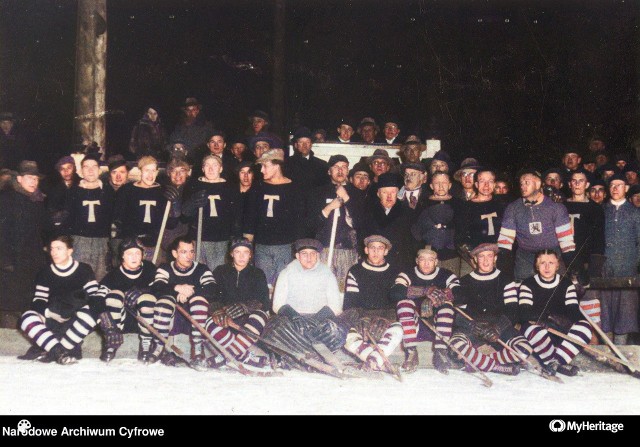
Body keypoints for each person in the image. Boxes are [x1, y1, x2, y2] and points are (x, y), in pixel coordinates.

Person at [54, 238, 158, 362]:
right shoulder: (113, 276)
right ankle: (107, 345)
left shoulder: (150, 269)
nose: (134, 257)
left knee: (148, 298)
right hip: (119, 323)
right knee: (113, 296)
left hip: (145, 322)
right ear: (122, 256)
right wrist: (108, 325)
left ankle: (146, 345)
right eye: (129, 253)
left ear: (143, 255)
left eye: (137, 253)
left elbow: (162, 288)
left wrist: (144, 290)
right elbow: (96, 299)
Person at [448, 243, 529, 375]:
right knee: (455, 345)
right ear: (475, 259)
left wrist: (498, 328)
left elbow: (513, 310)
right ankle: (495, 366)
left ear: (495, 258)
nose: (486, 261)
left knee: (523, 348)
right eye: (481, 257)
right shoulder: (464, 281)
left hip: (497, 328)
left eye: (489, 256)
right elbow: (458, 312)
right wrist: (471, 325)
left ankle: (479, 362)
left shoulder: (506, 280)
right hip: (474, 327)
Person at [18, 236, 100, 364]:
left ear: (70, 251)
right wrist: (50, 314)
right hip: (53, 317)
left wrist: (76, 312)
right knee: (27, 317)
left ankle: (53, 348)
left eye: (59, 248)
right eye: (52, 249)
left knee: (93, 312)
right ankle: (58, 351)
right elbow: (39, 300)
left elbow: (95, 297)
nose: (54, 252)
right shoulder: (45, 272)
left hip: (75, 320)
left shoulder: (84, 269)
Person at [264, 239, 346, 358]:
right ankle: (301, 354)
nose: (309, 257)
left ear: (317, 255)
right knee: (273, 329)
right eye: (304, 254)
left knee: (335, 332)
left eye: (313, 254)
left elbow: (336, 307)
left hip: (320, 321)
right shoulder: (286, 273)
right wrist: (295, 317)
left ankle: (300, 353)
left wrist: (314, 321)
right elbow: (277, 305)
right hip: (293, 321)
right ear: (297, 256)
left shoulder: (327, 274)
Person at [517, 250, 593, 376]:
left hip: (560, 334)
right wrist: (546, 318)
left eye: (551, 263)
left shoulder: (566, 284)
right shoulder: (528, 284)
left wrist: (559, 320)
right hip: (540, 333)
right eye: (543, 263)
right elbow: (524, 313)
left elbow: (574, 312)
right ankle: (556, 364)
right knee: (532, 329)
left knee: (585, 327)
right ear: (537, 265)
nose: (547, 267)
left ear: (557, 265)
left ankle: (555, 363)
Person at [202, 238, 270, 370]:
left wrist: (244, 307)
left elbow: (264, 302)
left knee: (261, 316)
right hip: (226, 318)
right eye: (237, 252)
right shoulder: (220, 271)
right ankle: (244, 356)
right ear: (231, 254)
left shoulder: (258, 273)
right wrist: (216, 310)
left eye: (246, 252)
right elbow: (211, 294)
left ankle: (226, 356)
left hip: (248, 322)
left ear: (250, 255)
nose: (242, 256)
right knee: (209, 322)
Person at [390, 248, 461, 373]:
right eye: (423, 260)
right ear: (417, 261)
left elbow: (461, 293)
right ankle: (411, 352)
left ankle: (440, 353)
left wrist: (441, 295)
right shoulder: (407, 274)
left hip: (438, 325)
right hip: (414, 324)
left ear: (436, 262)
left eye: (431, 260)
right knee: (404, 303)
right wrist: (425, 291)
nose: (427, 263)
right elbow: (395, 293)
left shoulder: (447, 275)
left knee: (447, 306)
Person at [498, 169, 575, 280]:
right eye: (521, 183)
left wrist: (574, 268)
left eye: (527, 183)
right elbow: (505, 241)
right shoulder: (512, 208)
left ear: (538, 184)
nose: (523, 186)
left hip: (552, 256)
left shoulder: (556, 207)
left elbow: (566, 242)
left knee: (556, 290)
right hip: (525, 258)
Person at [150, 236, 216, 366]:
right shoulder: (165, 268)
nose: (189, 256)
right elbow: (156, 287)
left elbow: (213, 289)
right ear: (175, 253)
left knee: (198, 300)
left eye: (191, 251)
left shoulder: (201, 269)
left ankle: (198, 350)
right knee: (164, 301)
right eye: (183, 252)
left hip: (195, 319)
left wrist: (190, 292)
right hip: (171, 319)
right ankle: (159, 347)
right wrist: (177, 289)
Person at [243, 149, 305, 287]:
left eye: (265, 166)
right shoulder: (258, 187)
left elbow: (299, 220)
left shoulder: (294, 188)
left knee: (283, 284)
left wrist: (297, 247)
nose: (262, 171)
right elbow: (250, 217)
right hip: (262, 245)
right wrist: (247, 244)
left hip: (285, 246)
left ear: (277, 166)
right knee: (262, 284)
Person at [0, 161, 51, 327]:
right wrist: (5, 261)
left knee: (30, 303)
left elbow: (44, 229)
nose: (34, 182)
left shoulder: (37, 200)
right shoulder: (7, 199)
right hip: (12, 263)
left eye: (36, 179)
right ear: (19, 179)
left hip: (33, 261)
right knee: (10, 305)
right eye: (30, 178)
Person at [341, 235, 403, 371]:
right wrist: (361, 320)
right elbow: (350, 304)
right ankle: (375, 360)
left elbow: (398, 303)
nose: (376, 252)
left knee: (398, 329)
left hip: (386, 317)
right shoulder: (355, 271)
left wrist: (386, 320)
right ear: (366, 250)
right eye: (372, 248)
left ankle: (372, 360)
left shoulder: (396, 272)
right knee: (344, 334)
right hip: (362, 316)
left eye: (380, 248)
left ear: (386, 251)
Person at [306, 155, 362, 290]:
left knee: (344, 289)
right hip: (324, 249)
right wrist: (329, 207)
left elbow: (361, 222)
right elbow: (311, 225)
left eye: (344, 167)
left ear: (348, 171)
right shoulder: (317, 193)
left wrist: (346, 198)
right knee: (322, 288)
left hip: (347, 250)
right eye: (336, 167)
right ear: (329, 171)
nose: (340, 170)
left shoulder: (357, 193)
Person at [113, 156, 180, 264]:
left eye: (153, 171)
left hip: (154, 245)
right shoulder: (127, 190)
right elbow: (118, 218)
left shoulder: (163, 191)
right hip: (131, 245)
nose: (150, 175)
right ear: (140, 171)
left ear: (157, 172)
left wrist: (175, 206)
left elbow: (171, 224)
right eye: (146, 170)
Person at [182, 154, 242, 271]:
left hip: (221, 240)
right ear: (203, 169)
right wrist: (192, 203)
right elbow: (184, 216)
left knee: (217, 274)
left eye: (214, 165)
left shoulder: (230, 188)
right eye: (207, 165)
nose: (210, 169)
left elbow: (236, 216)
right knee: (197, 273)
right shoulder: (193, 186)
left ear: (221, 168)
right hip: (199, 238)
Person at [600, 174, 640, 345]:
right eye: (612, 185)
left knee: (624, 313)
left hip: (627, 269)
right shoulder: (601, 211)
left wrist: (636, 264)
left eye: (620, 185)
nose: (615, 188)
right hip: (604, 269)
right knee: (605, 311)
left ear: (627, 188)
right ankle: (607, 356)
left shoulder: (635, 213)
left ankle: (621, 354)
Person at [61, 154, 115, 281]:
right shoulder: (73, 192)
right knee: (80, 277)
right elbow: (67, 218)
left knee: (102, 277)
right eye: (86, 167)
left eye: (94, 167)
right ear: (80, 171)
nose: (90, 170)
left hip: (101, 241)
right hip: (80, 240)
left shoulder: (108, 191)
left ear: (100, 170)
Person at [412, 171, 465, 274]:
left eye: (444, 183)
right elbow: (416, 229)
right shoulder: (423, 203)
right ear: (431, 186)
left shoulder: (459, 204)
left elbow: (461, 228)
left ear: (449, 185)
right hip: (428, 256)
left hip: (451, 255)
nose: (441, 186)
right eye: (437, 183)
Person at [363, 173, 417, 270]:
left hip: (400, 264)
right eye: (384, 192)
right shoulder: (368, 211)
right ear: (378, 194)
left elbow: (411, 244)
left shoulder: (407, 212)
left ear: (398, 193)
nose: (389, 196)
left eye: (392, 192)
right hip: (375, 263)